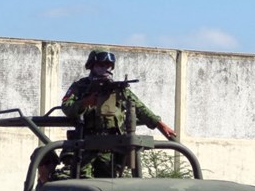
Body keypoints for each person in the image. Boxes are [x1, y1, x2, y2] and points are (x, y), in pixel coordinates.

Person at [61, 49, 177, 177]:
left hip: (111, 145)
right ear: (91, 66)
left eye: (107, 65)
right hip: (86, 143)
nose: (104, 68)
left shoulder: (117, 88)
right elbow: (66, 107)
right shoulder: (80, 86)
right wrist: (85, 102)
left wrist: (159, 124)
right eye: (100, 65)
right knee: (82, 180)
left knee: (110, 184)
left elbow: (138, 107)